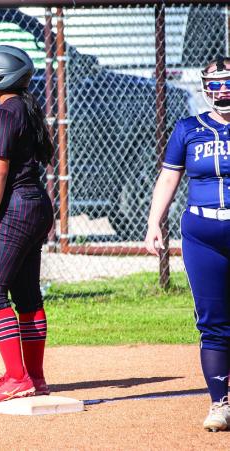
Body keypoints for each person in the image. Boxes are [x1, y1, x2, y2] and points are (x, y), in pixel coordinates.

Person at [145, 56, 230, 432]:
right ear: (205, 86)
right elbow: (167, 179)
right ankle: (220, 404)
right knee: (213, 322)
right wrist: (153, 223)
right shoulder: (187, 128)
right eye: (215, 82)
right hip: (202, 234)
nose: (223, 89)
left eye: (228, 81)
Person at [0, 45, 54, 402]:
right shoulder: (27, 109)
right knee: (26, 294)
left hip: (16, 208)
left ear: (4, 76)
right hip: (35, 204)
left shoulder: (4, 114)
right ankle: (33, 375)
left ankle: (18, 377)